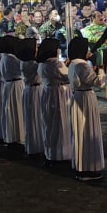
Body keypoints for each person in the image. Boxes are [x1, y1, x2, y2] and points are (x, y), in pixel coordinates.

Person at [66, 36, 107, 183]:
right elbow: (97, 82)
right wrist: (101, 71)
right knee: (87, 131)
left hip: (77, 97)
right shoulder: (82, 65)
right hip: (85, 99)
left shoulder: (72, 64)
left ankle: (81, 165)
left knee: (80, 131)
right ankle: (88, 166)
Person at [38, 39, 73, 168]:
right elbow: (68, 76)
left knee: (49, 124)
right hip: (59, 95)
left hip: (48, 93)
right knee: (60, 124)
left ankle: (50, 153)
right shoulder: (55, 63)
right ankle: (61, 154)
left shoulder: (42, 64)